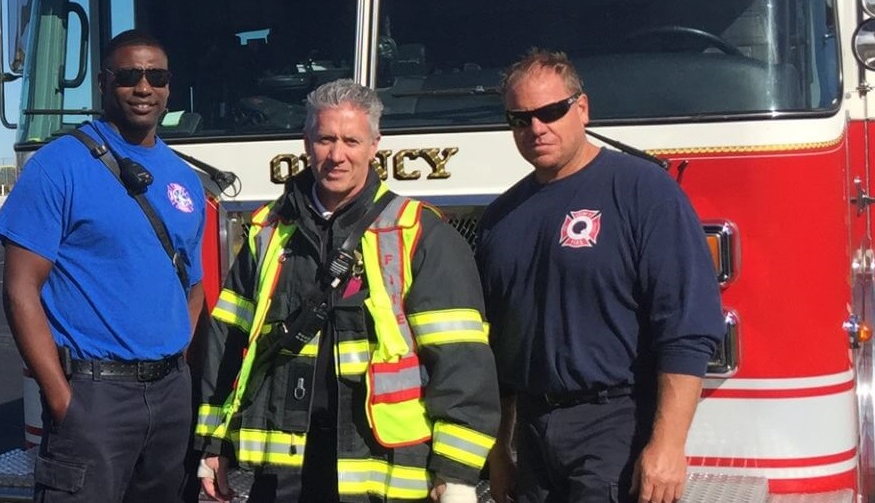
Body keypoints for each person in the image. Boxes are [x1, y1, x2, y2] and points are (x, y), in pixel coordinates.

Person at [195, 79, 498, 503]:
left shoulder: (420, 235)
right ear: (306, 143)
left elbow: (461, 362)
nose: (337, 155)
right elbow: (226, 345)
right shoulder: (267, 232)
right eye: (325, 139)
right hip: (283, 474)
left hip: (383, 476)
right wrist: (212, 445)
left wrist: (458, 473)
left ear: (375, 145)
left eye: (351, 141)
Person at [476, 48, 726, 503]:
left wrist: (667, 446)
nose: (536, 128)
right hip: (533, 436)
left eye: (551, 111)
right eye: (520, 118)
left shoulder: (643, 192)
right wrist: (499, 454)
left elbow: (686, 329)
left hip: (615, 426)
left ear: (583, 108)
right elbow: (497, 351)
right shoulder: (500, 219)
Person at [0, 29, 206, 503]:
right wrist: (62, 399)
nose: (143, 88)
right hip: (94, 397)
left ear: (171, 86)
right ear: (105, 84)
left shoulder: (185, 179)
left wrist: (178, 361)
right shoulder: (58, 166)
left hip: (171, 396)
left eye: (157, 76)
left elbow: (193, 286)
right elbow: (20, 291)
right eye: (128, 76)